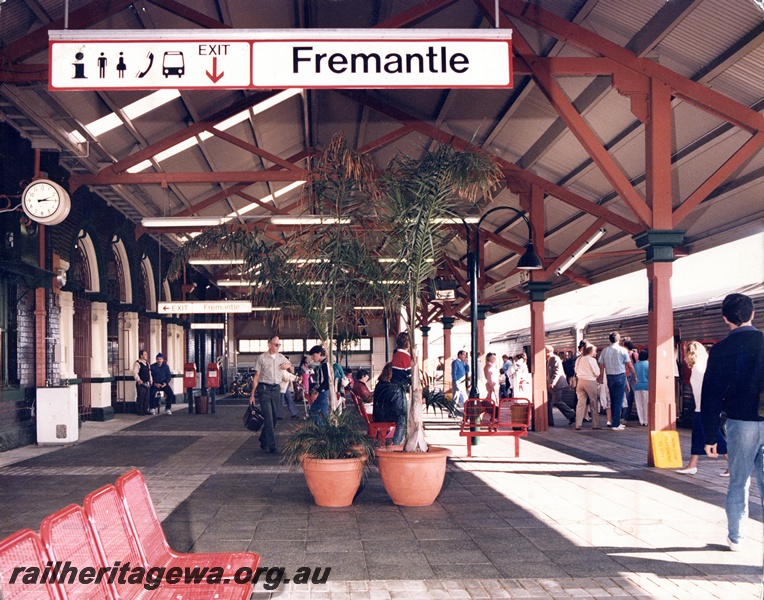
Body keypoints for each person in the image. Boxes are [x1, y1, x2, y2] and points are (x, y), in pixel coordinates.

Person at [701, 293, 764, 552]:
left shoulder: (720, 350)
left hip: (741, 423)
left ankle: (736, 538)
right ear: (752, 314)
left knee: (739, 481)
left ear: (725, 318)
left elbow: (711, 394)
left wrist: (710, 436)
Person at [678, 342, 727, 474]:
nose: (683, 358)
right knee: (698, 436)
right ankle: (692, 465)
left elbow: (707, 389)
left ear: (690, 354)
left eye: (685, 355)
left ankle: (733, 465)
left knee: (715, 436)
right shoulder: (704, 365)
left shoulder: (698, 368)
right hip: (703, 407)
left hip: (704, 408)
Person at [249, 335, 294, 454]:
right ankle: (272, 446)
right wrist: (252, 394)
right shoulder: (261, 358)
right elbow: (257, 376)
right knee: (268, 418)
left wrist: (288, 366)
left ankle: (263, 439)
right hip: (264, 389)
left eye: (279, 345)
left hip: (276, 390)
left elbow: (292, 368)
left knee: (274, 417)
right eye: (275, 344)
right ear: (269, 345)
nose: (278, 346)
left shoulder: (281, 357)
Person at [597, 331, 637, 430]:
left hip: (610, 377)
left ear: (609, 340)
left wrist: (601, 377)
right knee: (619, 400)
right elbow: (629, 365)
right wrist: (635, 375)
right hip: (620, 376)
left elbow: (601, 366)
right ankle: (616, 424)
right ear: (618, 340)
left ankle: (615, 422)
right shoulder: (623, 350)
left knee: (613, 399)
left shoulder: (605, 351)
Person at [373, 363, 407, 445]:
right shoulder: (392, 388)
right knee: (403, 418)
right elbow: (399, 408)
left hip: (377, 415)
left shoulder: (380, 384)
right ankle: (397, 443)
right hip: (384, 416)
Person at [546, 345, 576, 426]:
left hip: (557, 384)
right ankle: (549, 421)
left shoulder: (555, 358)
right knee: (548, 402)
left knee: (557, 401)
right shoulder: (547, 359)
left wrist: (553, 382)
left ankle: (572, 414)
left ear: (547, 351)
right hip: (550, 385)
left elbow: (557, 371)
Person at [574, 343, 601, 430]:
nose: (595, 353)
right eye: (594, 351)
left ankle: (578, 424)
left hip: (580, 382)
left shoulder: (579, 359)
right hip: (590, 382)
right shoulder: (591, 360)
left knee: (580, 403)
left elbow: (576, 370)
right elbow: (597, 373)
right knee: (594, 402)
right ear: (591, 351)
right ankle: (595, 424)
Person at [307, 345, 331, 423]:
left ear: (319, 353)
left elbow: (326, 380)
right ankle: (322, 430)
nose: (312, 358)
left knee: (323, 414)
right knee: (315, 412)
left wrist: (318, 391)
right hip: (322, 391)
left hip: (323, 392)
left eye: (314, 355)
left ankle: (324, 430)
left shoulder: (325, 364)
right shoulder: (323, 364)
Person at [632, 349, 649, 426]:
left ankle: (641, 420)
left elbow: (632, 376)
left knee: (639, 404)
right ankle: (646, 421)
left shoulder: (635, 365)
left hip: (637, 386)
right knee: (646, 404)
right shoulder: (649, 364)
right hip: (646, 386)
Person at [132, 350, 151, 416]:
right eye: (145, 354)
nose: (147, 355)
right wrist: (138, 379)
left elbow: (149, 373)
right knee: (141, 397)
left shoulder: (147, 363)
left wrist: (151, 379)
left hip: (147, 382)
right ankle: (139, 411)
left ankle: (145, 410)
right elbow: (135, 372)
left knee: (147, 397)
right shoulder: (137, 363)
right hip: (141, 383)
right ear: (141, 355)